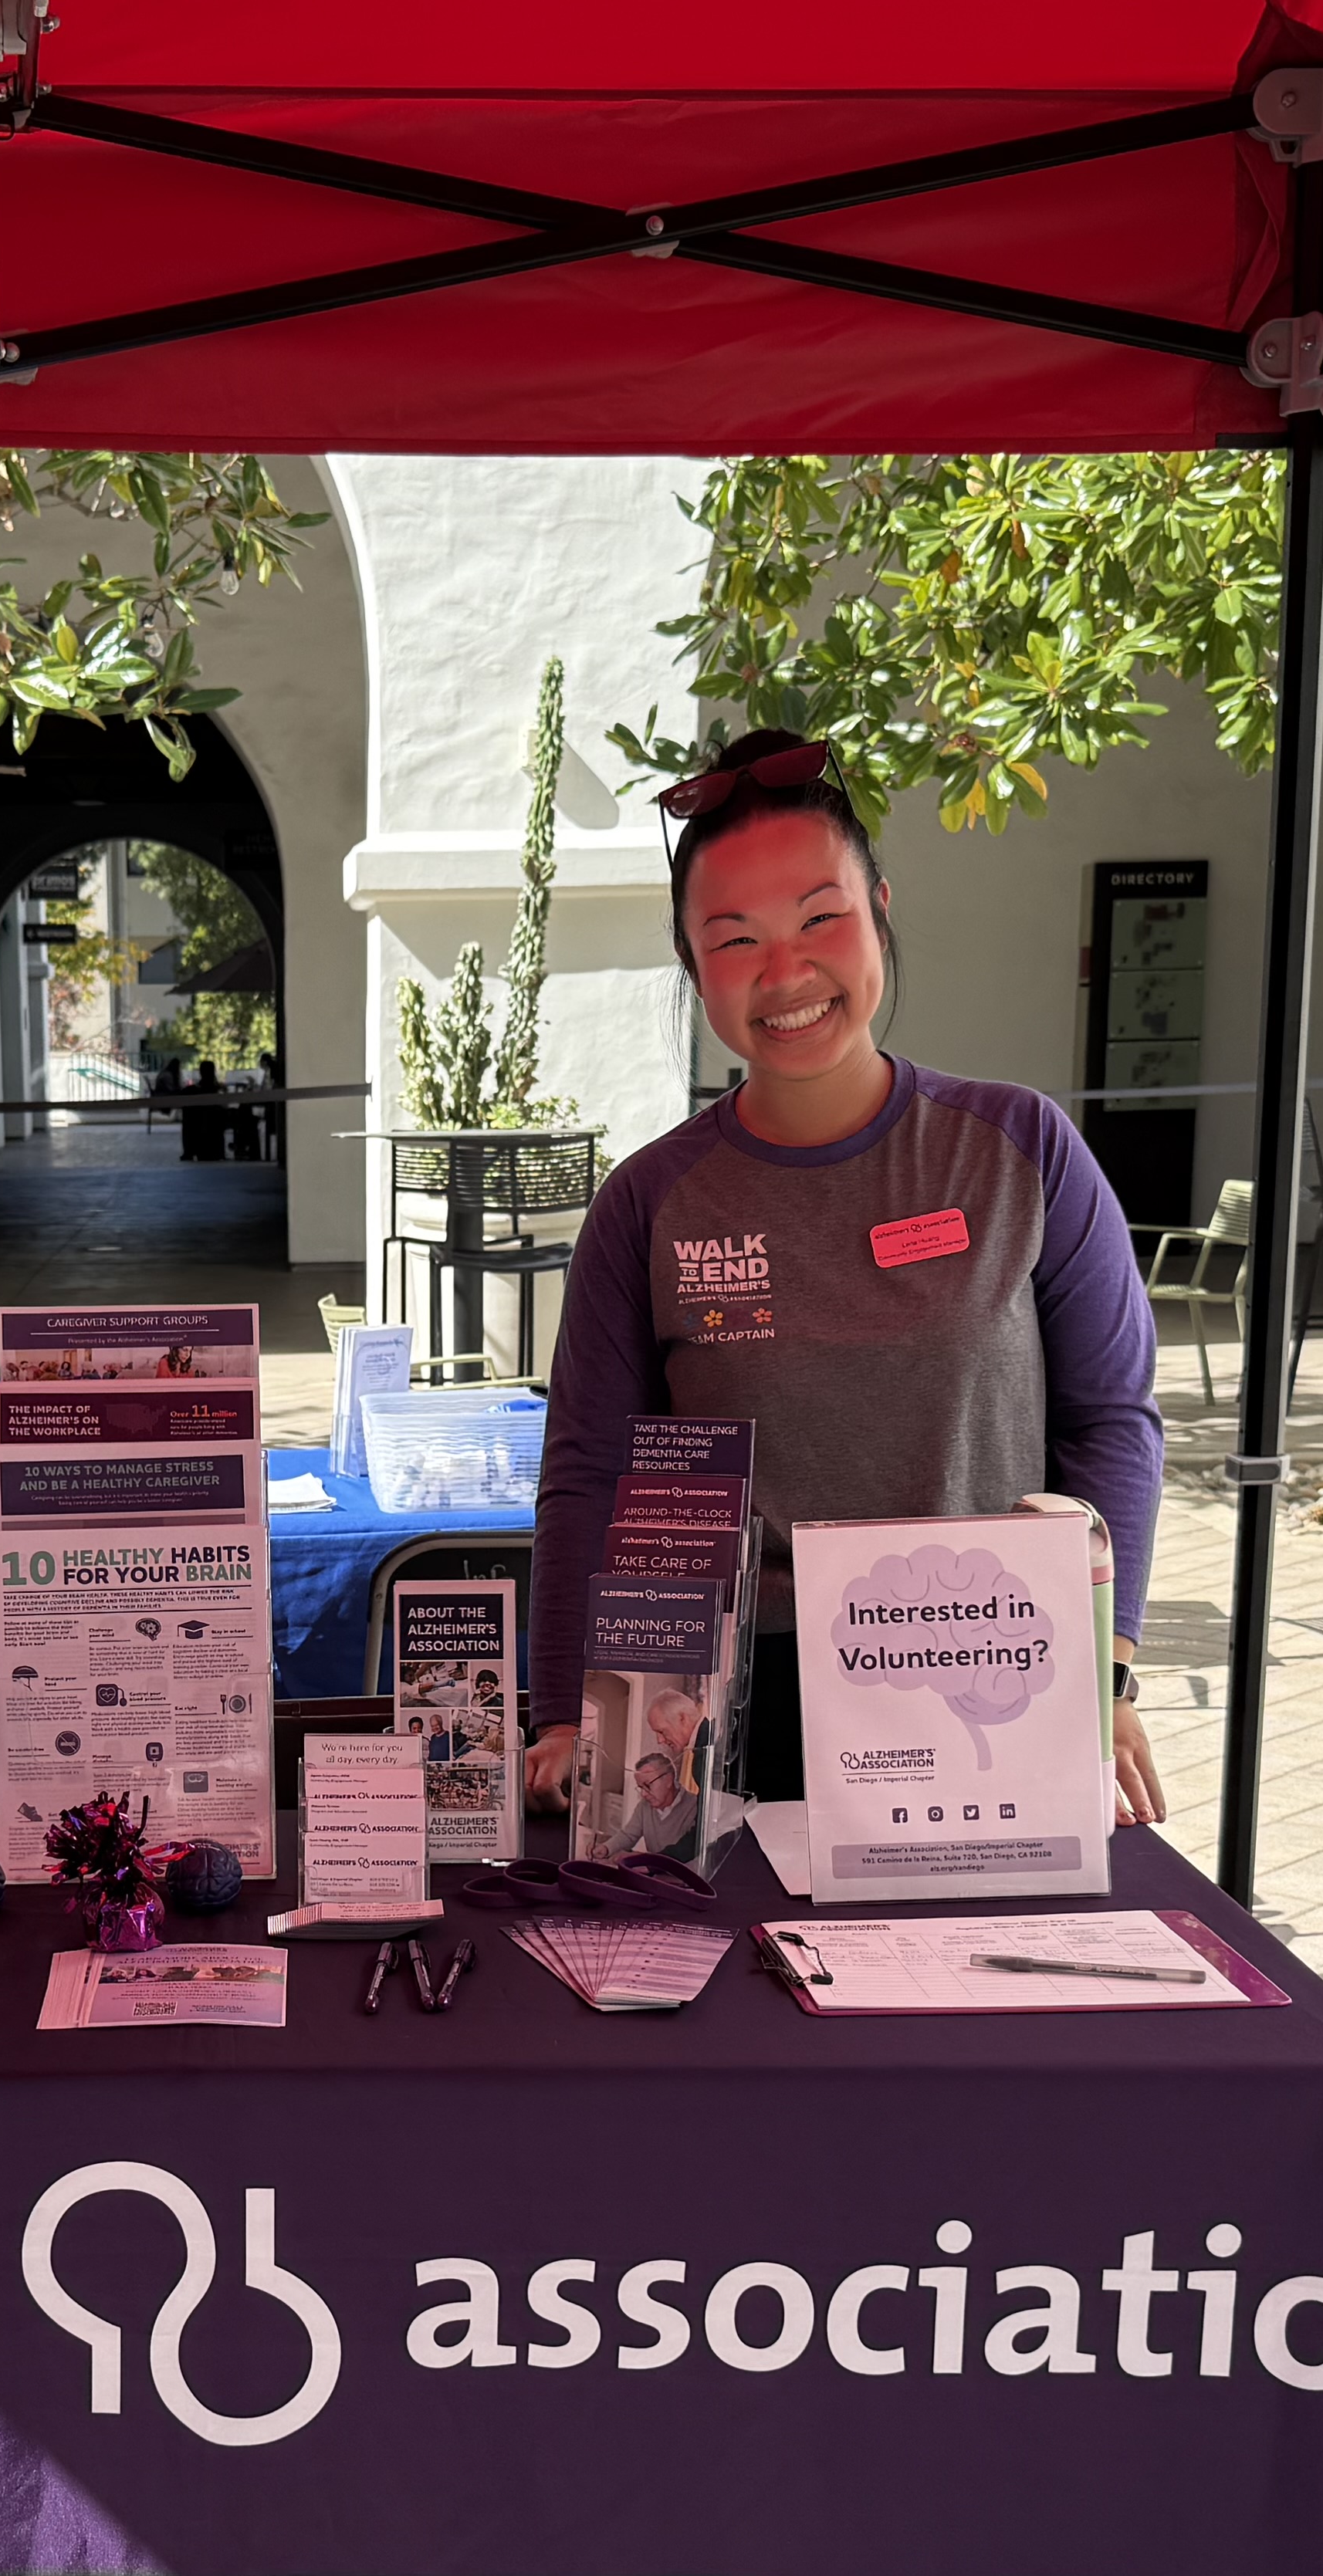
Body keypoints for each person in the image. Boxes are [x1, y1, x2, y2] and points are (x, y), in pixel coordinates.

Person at [522, 726, 1169, 1824]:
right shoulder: (649, 1202)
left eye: (821, 917)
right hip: (723, 1725)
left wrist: (1102, 1670)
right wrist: (557, 1710)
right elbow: (591, 1473)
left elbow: (1111, 1421)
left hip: (991, 1688)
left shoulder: (1020, 1149)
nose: (786, 974)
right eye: (734, 941)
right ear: (693, 968)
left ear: (880, 906)